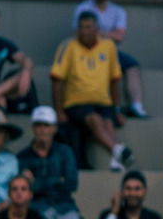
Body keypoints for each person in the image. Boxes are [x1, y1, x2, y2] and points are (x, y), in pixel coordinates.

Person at [51, 11, 133, 172]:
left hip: (103, 101)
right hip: (76, 103)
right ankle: (117, 150)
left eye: (88, 27)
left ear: (96, 29)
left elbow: (115, 80)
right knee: (94, 119)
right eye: (81, 27)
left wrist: (117, 110)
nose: (84, 31)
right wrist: (59, 110)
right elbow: (56, 80)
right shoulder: (68, 46)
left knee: (108, 123)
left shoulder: (108, 46)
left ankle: (116, 159)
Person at [74, 0, 147, 118]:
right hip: (87, 52)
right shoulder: (83, 8)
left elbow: (119, 36)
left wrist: (96, 33)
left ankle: (136, 106)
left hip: (111, 52)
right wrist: (108, 34)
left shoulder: (118, 11)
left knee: (132, 66)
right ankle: (114, 109)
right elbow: (79, 35)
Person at [17, 106, 80, 219]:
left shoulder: (65, 151)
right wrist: (57, 180)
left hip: (65, 206)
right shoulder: (23, 157)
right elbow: (24, 189)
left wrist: (37, 182)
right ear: (33, 127)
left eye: (46, 125)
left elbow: (72, 183)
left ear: (54, 128)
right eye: (39, 125)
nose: (42, 130)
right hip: (39, 208)